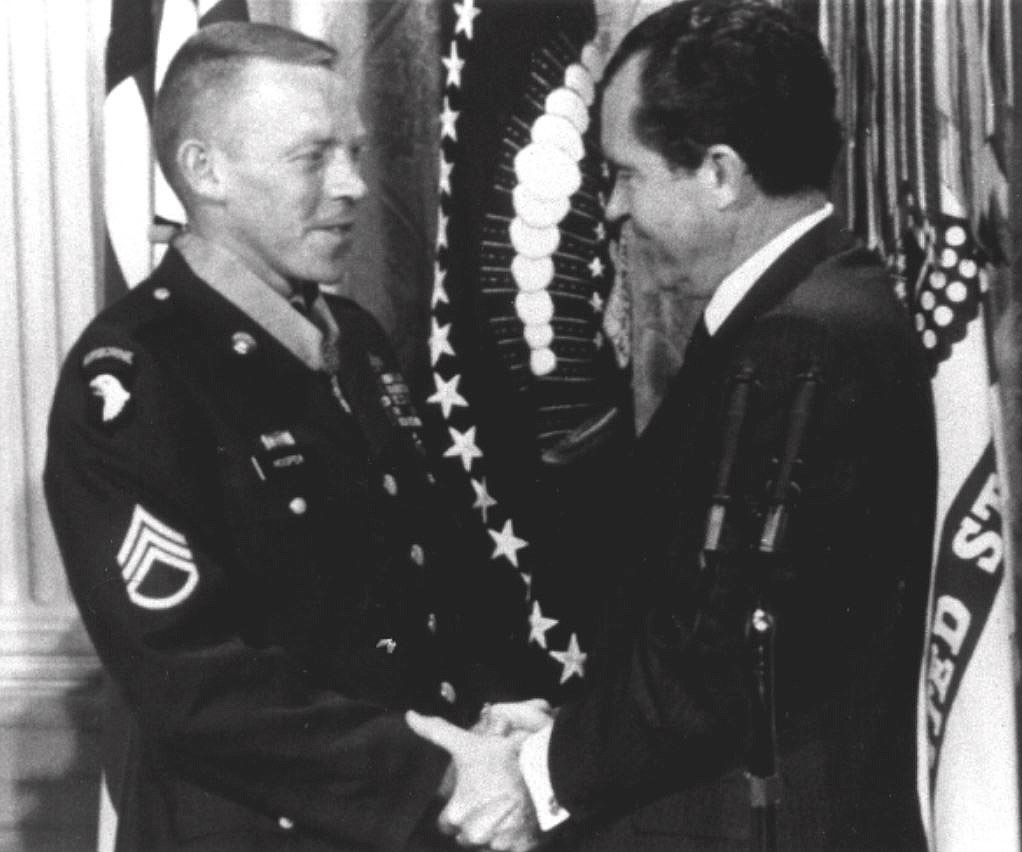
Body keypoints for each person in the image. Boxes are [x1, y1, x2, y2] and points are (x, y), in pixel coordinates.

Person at [406, 1, 937, 850]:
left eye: (626, 173)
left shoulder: (802, 338)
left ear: (720, 174)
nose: (611, 209)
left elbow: (722, 660)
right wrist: (558, 734)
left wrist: (540, 777)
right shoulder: (813, 305)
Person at [44, 21, 523, 852]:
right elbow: (192, 684)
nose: (353, 187)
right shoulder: (133, 378)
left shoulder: (357, 343)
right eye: (312, 157)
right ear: (204, 171)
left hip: (431, 813)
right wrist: (437, 768)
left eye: (357, 153)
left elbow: (441, 568)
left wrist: (501, 713)